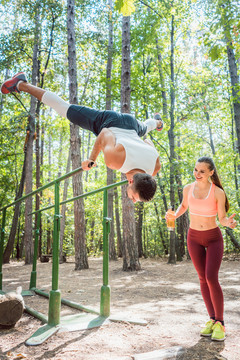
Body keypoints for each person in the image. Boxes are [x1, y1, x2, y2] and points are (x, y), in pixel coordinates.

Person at [1, 72, 163, 203]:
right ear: (131, 182)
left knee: (144, 129)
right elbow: (105, 133)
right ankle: (21, 84)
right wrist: (91, 159)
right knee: (64, 109)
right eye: (134, 198)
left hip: (132, 125)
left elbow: (147, 142)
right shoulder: (114, 161)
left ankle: (157, 122)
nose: (133, 201)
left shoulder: (155, 167)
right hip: (109, 122)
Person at [165, 156, 237, 341]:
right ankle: (212, 320)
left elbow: (221, 218)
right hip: (193, 237)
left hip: (213, 238)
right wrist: (173, 214)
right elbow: (183, 207)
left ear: (211, 172)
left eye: (202, 171)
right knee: (202, 278)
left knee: (211, 277)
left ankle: (220, 323)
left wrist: (227, 223)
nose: (197, 174)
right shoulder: (188, 188)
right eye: (196, 170)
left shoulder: (218, 192)